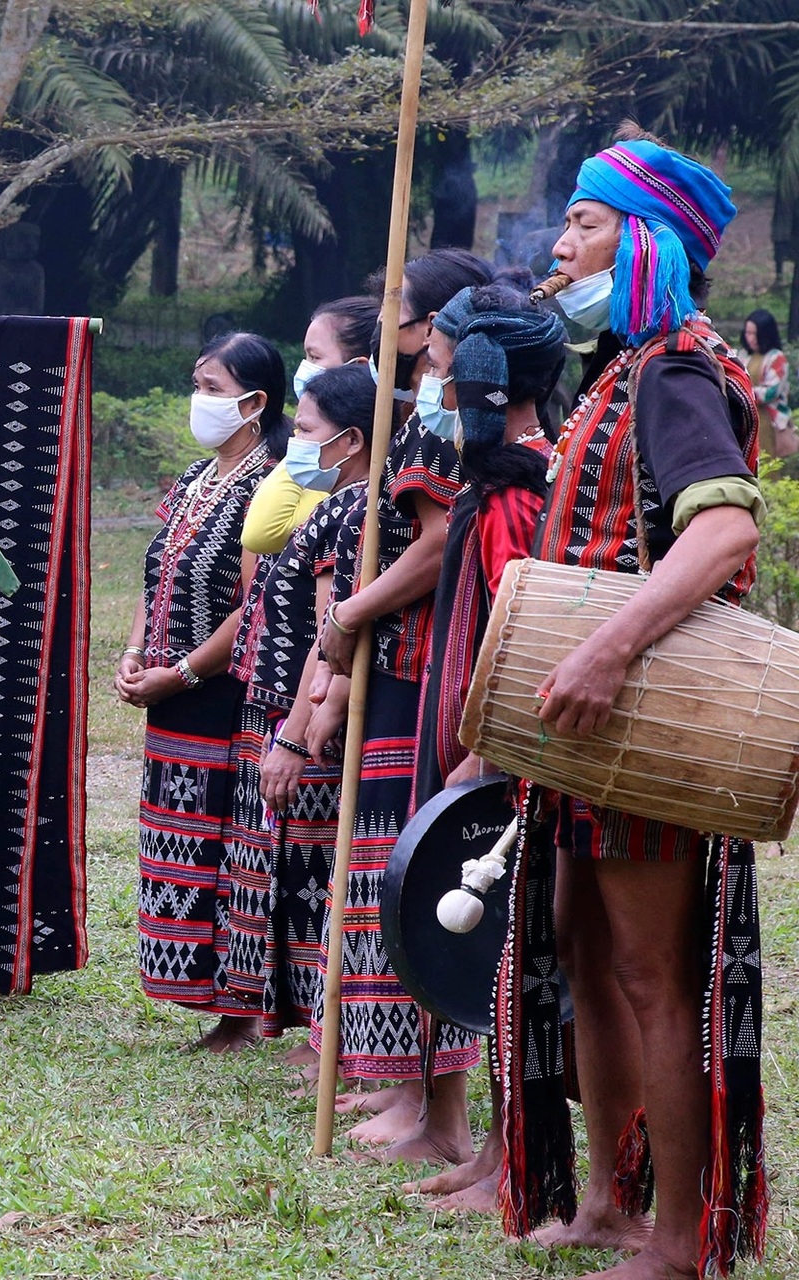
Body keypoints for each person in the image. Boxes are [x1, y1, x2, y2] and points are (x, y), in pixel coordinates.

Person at [496, 128, 767, 1280]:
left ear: (646, 240)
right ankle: (611, 1197)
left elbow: (725, 529)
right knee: (582, 942)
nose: (562, 245)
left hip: (642, 712)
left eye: (586, 223)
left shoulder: (680, 369)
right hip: (585, 723)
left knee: (653, 972)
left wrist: (607, 651)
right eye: (565, 221)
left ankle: (680, 1238)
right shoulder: (626, 363)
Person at [312, 248, 496, 1160]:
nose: (385, 322)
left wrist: (352, 613)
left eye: (400, 310)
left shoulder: (443, 424)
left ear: (434, 328)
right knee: (386, 877)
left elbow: (431, 548)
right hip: (406, 666)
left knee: (417, 877)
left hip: (426, 669)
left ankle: (440, 1111)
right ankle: (410, 1091)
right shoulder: (424, 415)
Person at [392, 285, 567, 1212]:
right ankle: (499, 1148)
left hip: (502, 759)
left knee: (514, 947)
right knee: (498, 948)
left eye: (441, 363)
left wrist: (486, 750)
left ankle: (518, 1156)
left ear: (483, 376)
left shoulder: (516, 494)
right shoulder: (504, 480)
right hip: (480, 747)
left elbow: (527, 633)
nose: (432, 379)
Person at [119, 331, 287, 1052]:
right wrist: (135, 654)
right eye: (198, 384)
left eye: (212, 388)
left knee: (229, 846)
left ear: (254, 403)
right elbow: (155, 574)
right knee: (180, 843)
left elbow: (253, 605)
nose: (199, 399)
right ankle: (205, 995)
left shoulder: (270, 483)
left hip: (223, 691)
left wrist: (184, 671)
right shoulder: (194, 479)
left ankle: (240, 1012)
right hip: (169, 691)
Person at [224, 364, 374, 1052]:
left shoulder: (353, 512)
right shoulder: (340, 502)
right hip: (298, 713)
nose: (294, 447)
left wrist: (295, 735)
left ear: (351, 440)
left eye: (307, 432)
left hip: (313, 722)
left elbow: (331, 637)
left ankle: (326, 1046)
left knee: (314, 879)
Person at [242, 295, 381, 557]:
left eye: (315, 357)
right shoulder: (323, 454)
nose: (304, 369)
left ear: (359, 367)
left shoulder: (342, 466)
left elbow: (262, 533)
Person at [736, 309, 790, 457]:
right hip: (747, 418)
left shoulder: (777, 358)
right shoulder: (743, 355)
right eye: (748, 333)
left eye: (754, 334)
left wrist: (740, 392)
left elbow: (770, 392)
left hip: (768, 422)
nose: (750, 338)